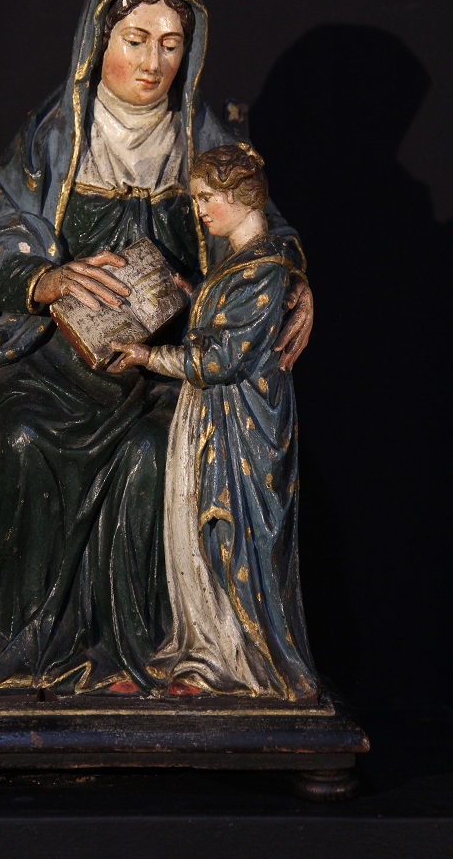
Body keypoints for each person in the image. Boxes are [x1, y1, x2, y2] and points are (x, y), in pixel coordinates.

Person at [0, 0, 313, 695]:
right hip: (55, 362)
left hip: (167, 368)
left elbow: (266, 232)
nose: (153, 63)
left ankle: (143, 659)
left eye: (171, 44)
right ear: (97, 40)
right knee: (18, 438)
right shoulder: (53, 136)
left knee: (153, 456)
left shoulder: (199, 135)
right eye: (136, 40)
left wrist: (294, 279)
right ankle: (30, 649)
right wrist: (46, 280)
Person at [110, 144, 318, 700]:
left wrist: (145, 355)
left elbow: (221, 359)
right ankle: (199, 652)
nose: (198, 209)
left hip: (242, 427)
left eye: (207, 197)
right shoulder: (241, 260)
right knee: (194, 538)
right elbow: (226, 319)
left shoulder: (264, 269)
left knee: (229, 538)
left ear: (241, 196)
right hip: (211, 418)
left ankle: (242, 666)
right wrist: (195, 293)